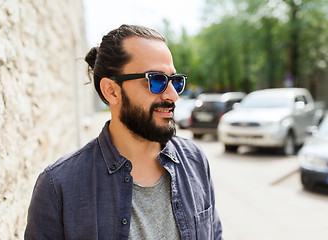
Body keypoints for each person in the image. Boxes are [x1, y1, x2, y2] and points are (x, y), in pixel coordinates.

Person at [25, 24, 223, 240]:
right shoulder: (58, 186)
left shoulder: (194, 160)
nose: (173, 95)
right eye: (156, 80)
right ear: (111, 91)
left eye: (175, 81)